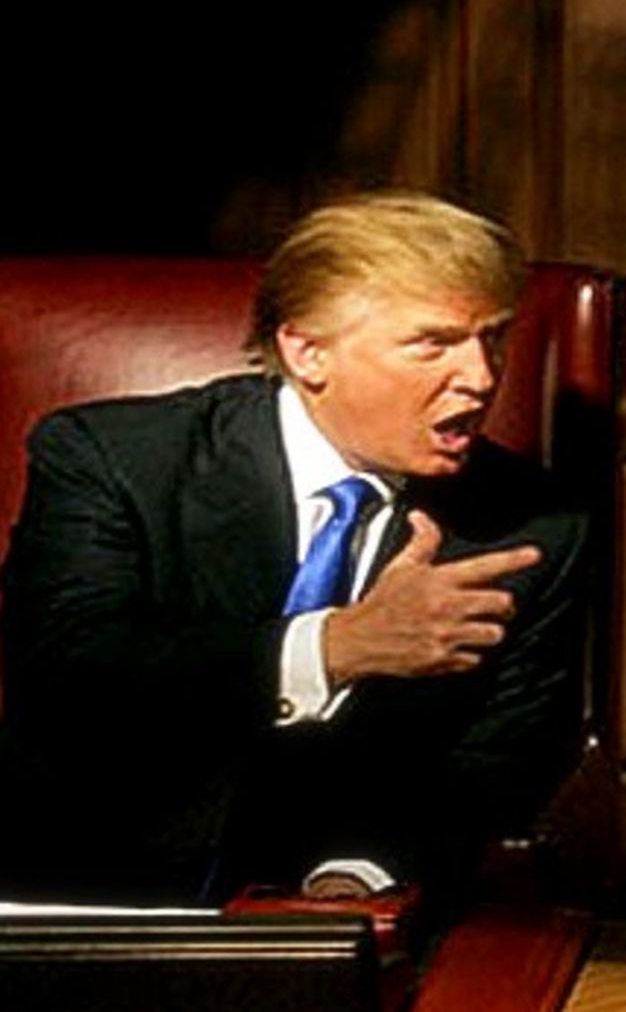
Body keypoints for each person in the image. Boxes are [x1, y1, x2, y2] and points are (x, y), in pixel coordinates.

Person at [0, 193, 589, 908]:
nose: (482, 376)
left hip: (348, 903)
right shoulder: (114, 458)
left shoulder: (532, 525)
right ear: (308, 353)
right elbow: (68, 678)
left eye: (492, 339)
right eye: (433, 344)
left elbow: (505, 755)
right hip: (89, 881)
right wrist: (332, 647)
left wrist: (362, 874)